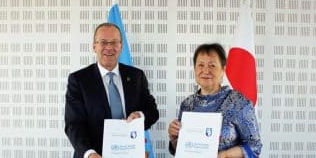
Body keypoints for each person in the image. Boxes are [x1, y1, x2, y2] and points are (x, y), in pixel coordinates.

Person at [65, 22, 159, 158]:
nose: (109, 47)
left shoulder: (136, 76)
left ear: (121, 46)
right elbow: (74, 124)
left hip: (130, 153)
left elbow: (152, 111)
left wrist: (140, 115)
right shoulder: (78, 80)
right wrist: (89, 153)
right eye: (103, 42)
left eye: (114, 42)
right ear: (94, 46)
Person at [168, 43, 262, 158]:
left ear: (223, 70)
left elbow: (255, 146)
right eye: (200, 65)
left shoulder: (238, 102)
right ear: (195, 69)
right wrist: (174, 139)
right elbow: (182, 149)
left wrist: (224, 155)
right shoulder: (187, 104)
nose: (206, 71)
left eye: (212, 65)